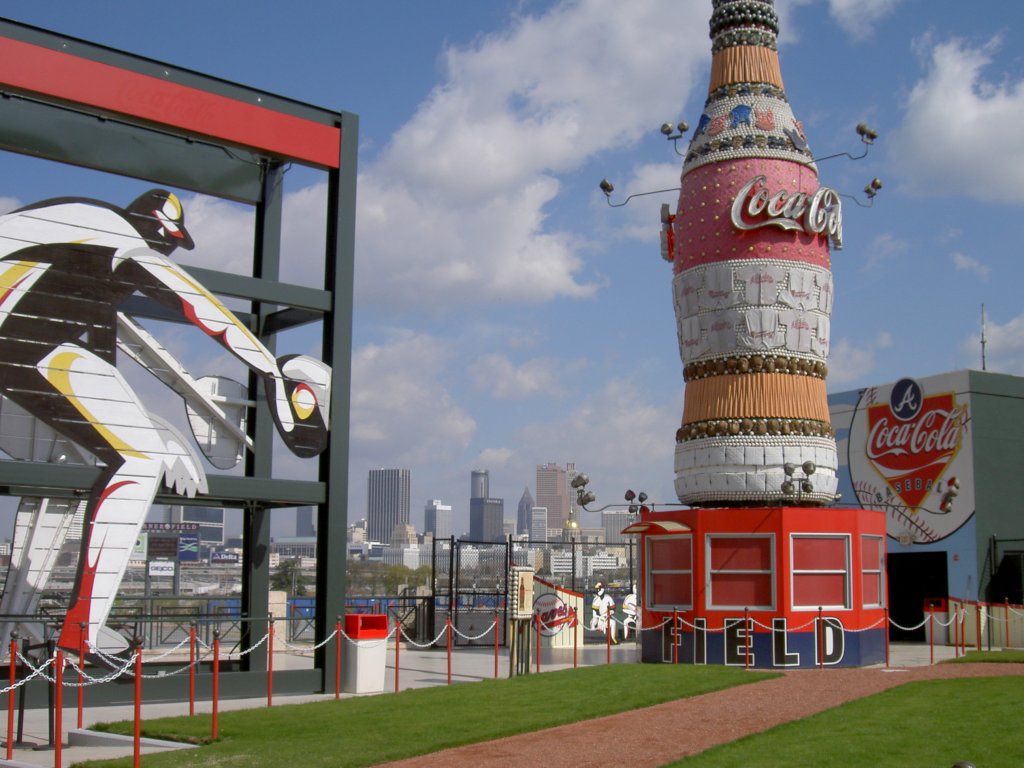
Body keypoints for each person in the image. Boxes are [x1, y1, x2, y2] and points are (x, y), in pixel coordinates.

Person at [0, 189, 331, 653]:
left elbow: (105, 369)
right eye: (168, 242)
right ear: (154, 231)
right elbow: (197, 305)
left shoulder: (79, 263)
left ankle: (15, 625)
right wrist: (270, 371)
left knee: (64, 460)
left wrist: (157, 432)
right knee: (139, 462)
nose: (167, 251)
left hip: (23, 346)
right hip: (16, 340)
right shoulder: (115, 234)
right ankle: (79, 632)